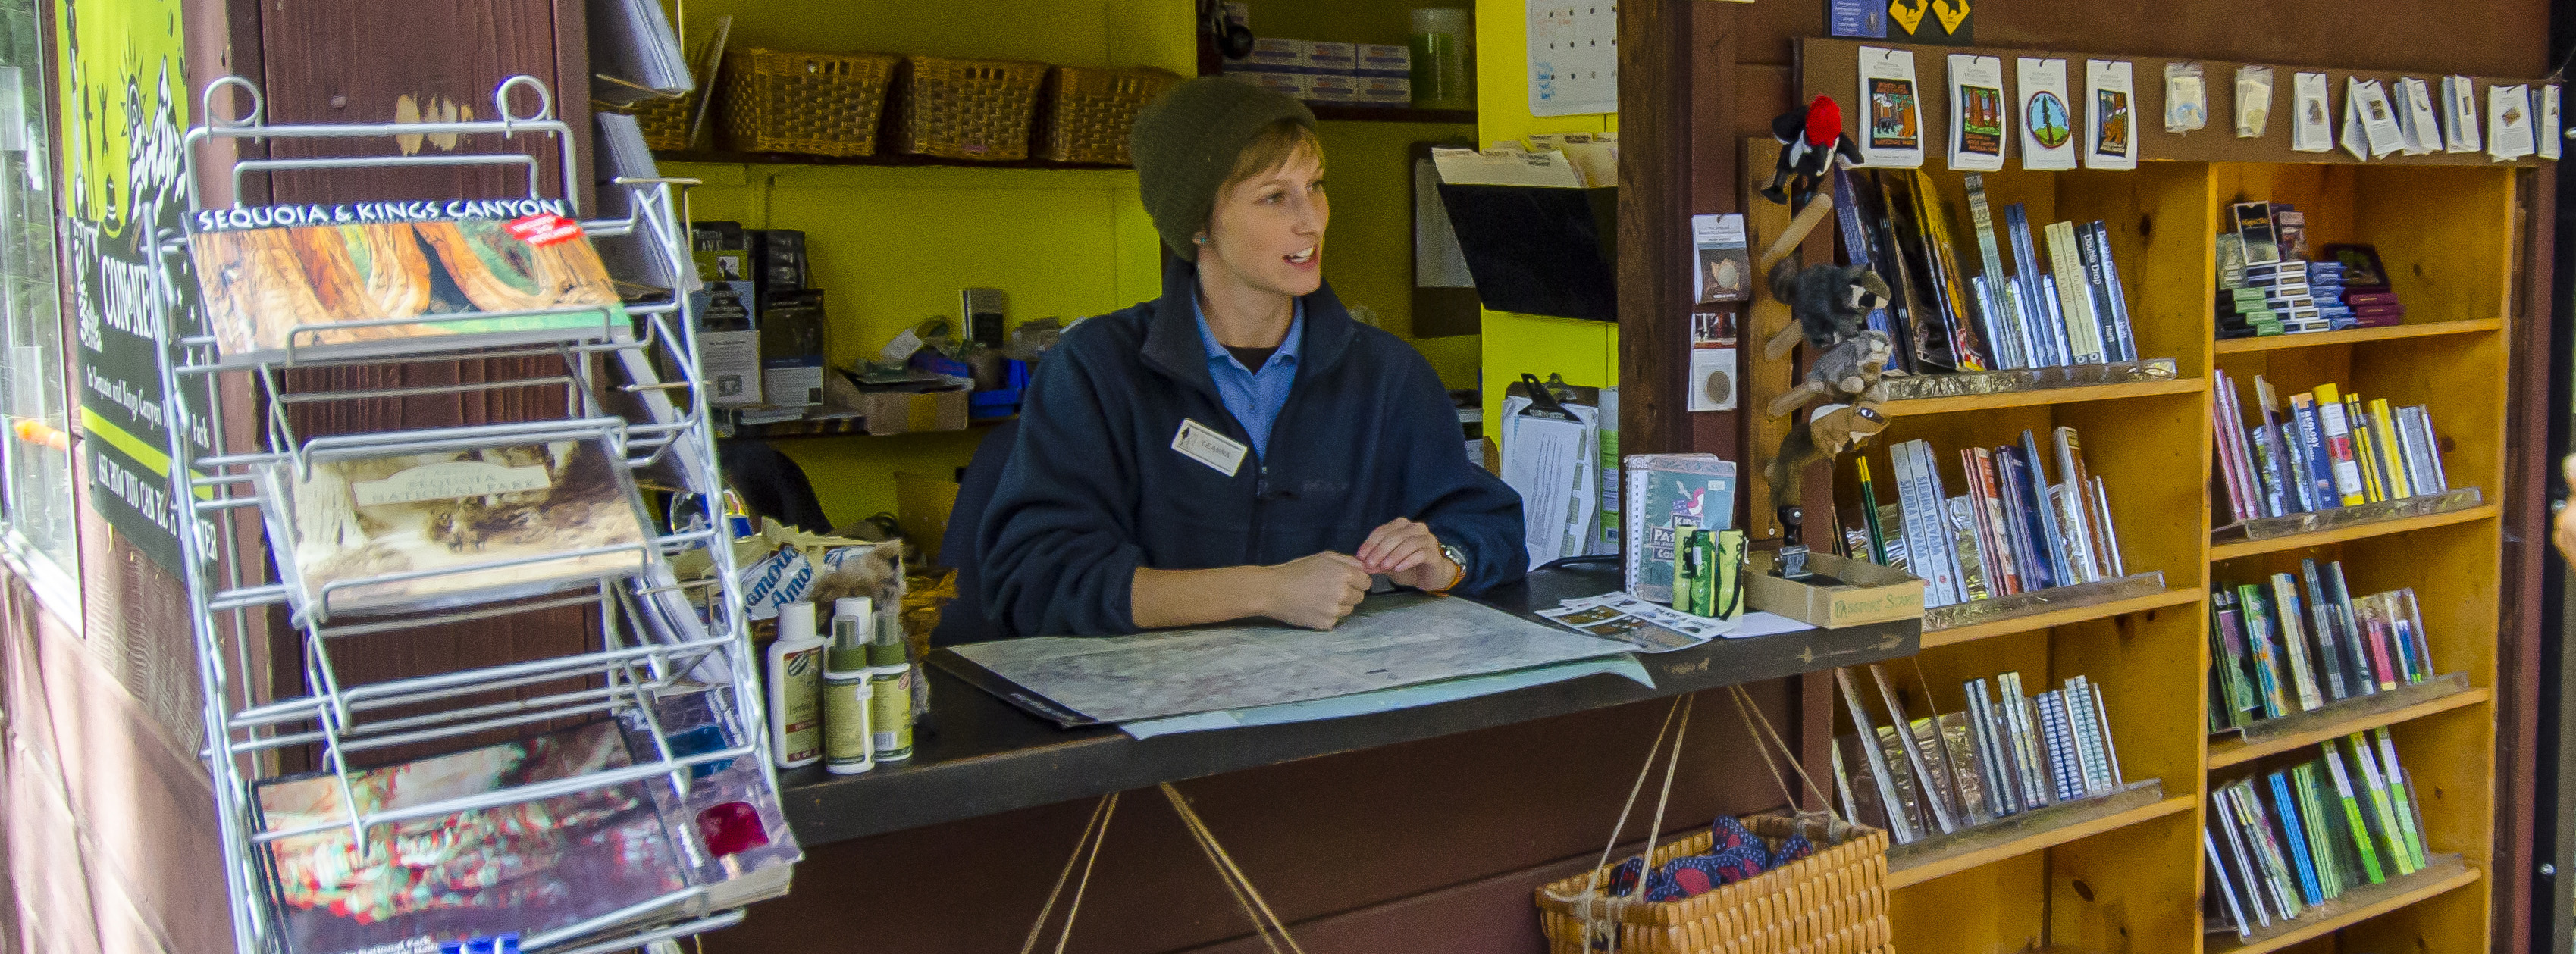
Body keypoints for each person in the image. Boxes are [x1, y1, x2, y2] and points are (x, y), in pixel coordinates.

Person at [977, 77, 1526, 638]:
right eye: (1274, 197)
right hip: (1150, 711)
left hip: (1335, 708)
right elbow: (1037, 577)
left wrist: (1444, 558)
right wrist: (1268, 589)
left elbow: (1490, 522)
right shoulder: (1095, 370)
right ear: (1196, 224)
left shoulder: (1388, 374)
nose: (1310, 220)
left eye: (1315, 186)